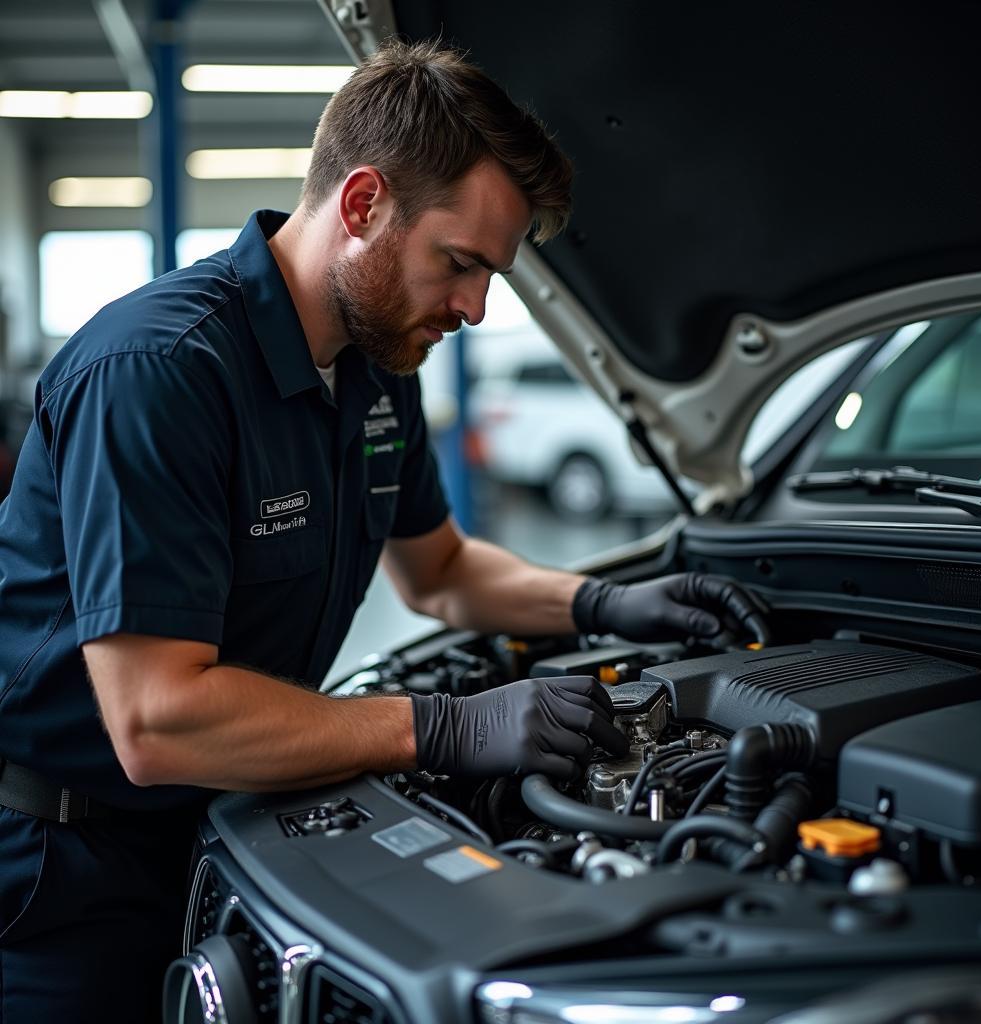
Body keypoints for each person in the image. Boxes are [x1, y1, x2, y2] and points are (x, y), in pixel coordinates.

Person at [0, 40, 768, 1022]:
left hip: (224, 826)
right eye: (460, 263)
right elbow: (157, 718)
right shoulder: (159, 372)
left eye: (492, 275)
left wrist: (603, 601)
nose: (476, 307)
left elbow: (441, 573)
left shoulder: (375, 370)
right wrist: (450, 725)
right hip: (64, 883)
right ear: (362, 204)